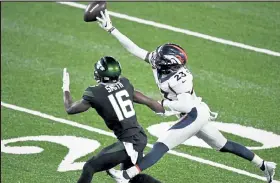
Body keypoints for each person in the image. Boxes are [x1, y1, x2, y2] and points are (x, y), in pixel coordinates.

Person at [96, 10, 277, 183]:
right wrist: (112, 29)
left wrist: (160, 104)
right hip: (197, 112)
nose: (154, 60)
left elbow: (184, 105)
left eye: (159, 60)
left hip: (193, 114)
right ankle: (264, 165)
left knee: (161, 146)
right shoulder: (163, 65)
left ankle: (126, 176)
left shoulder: (181, 79)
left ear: (169, 66)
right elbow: (135, 49)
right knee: (224, 145)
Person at [62, 56, 175, 183]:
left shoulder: (95, 93)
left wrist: (65, 88)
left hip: (129, 143)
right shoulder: (125, 84)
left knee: (90, 166)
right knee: (131, 178)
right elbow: (148, 101)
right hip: (139, 137)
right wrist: (168, 110)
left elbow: (70, 108)